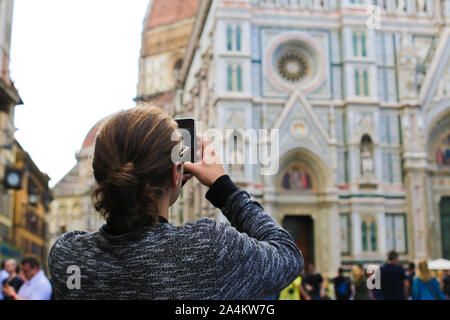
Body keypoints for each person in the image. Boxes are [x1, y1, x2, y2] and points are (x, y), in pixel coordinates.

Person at [47, 106, 304, 299]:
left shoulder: (68, 257)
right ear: (174, 173)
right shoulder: (208, 248)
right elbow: (288, 257)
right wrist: (225, 189)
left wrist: (160, 187)